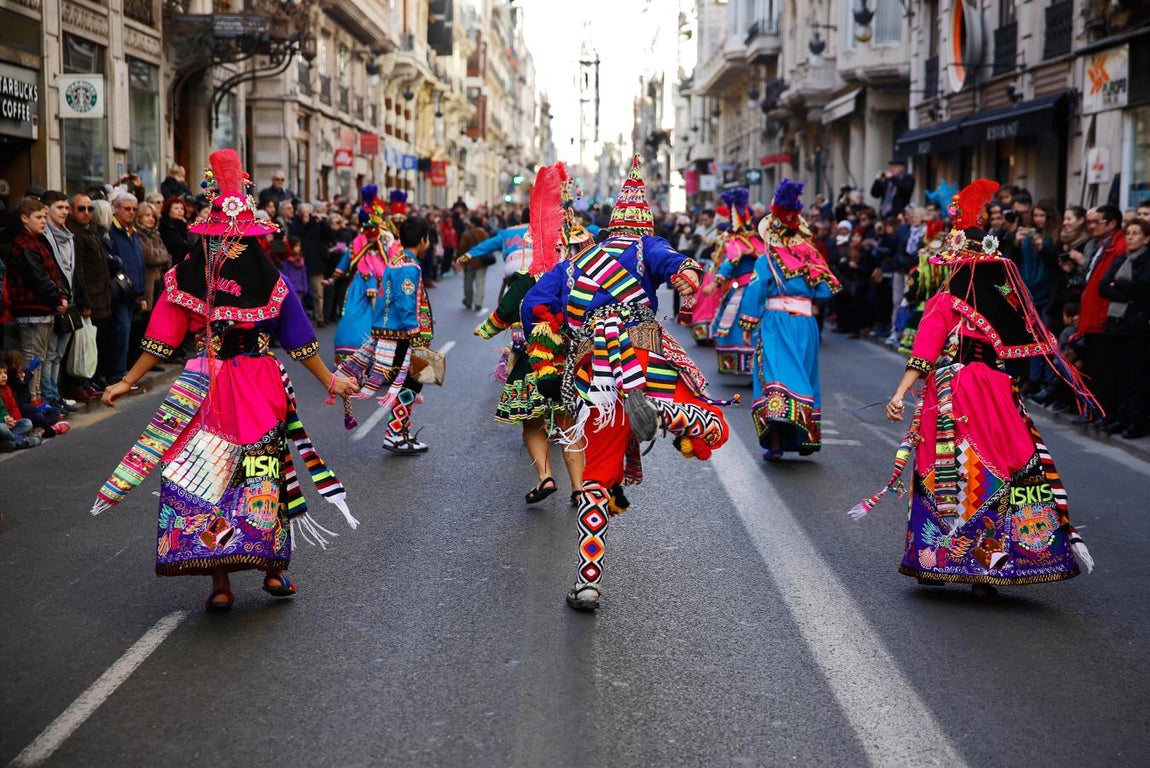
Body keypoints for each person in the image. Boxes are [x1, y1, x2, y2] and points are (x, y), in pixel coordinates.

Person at [93, 149, 360, 612]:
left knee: (210, 482)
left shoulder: (187, 276)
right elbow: (301, 343)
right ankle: (273, 573)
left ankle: (221, 582)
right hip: (256, 386)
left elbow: (160, 340)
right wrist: (330, 381)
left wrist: (126, 381)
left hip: (207, 387)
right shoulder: (269, 279)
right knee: (260, 476)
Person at [851, 179, 1098, 597]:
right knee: (1001, 467)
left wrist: (898, 393)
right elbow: (1022, 351)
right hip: (998, 392)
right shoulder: (1007, 301)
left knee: (940, 469)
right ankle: (992, 568)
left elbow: (922, 355)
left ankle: (937, 561)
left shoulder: (946, 301)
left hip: (954, 392)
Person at [520, 156, 734, 612]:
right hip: (642, 362)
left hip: (594, 378)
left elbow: (533, 305)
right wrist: (689, 280)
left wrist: (556, 338)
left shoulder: (574, 265)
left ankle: (588, 582)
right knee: (716, 425)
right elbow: (679, 265)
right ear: (644, 224)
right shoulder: (644, 248)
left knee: (595, 482)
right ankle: (672, 414)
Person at [473, 164, 585, 505]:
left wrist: (485, 330)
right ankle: (580, 489)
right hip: (569, 360)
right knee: (568, 423)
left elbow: (504, 314)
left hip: (530, 363)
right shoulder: (579, 275)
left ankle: (545, 477)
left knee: (533, 423)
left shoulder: (526, 276)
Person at [736, 179, 840, 461]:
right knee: (804, 375)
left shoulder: (766, 259)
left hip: (777, 322)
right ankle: (804, 436)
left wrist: (746, 323)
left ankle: (777, 443)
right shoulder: (810, 256)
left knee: (775, 378)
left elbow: (756, 289)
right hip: (805, 324)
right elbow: (825, 290)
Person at [336, 215, 435, 455]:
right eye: (428, 238)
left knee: (413, 381)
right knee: (413, 380)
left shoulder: (397, 261)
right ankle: (395, 433)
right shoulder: (408, 266)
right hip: (404, 335)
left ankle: (399, 432)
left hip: (395, 332)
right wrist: (416, 335)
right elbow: (404, 301)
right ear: (423, 240)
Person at [3, 197, 70, 407]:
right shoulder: (25, 245)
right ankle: (31, 401)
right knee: (32, 358)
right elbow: (39, 278)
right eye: (38, 217)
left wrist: (61, 294)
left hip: (42, 309)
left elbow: (53, 274)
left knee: (38, 358)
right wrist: (58, 297)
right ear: (24, 218)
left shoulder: (37, 241)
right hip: (31, 311)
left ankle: (37, 398)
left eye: (44, 217)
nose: (43, 221)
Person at [1096, 219, 1150, 439]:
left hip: (1137, 326)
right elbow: (1103, 286)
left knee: (1136, 376)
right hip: (1117, 324)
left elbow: (1143, 288)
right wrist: (1123, 292)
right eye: (1128, 233)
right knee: (1119, 375)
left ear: (1146, 238)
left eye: (1136, 233)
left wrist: (1118, 287)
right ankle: (1120, 417)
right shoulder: (1120, 260)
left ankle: (1135, 421)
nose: (1130, 237)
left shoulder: (1146, 261)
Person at [705, 187, 762, 377]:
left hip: (744, 292)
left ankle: (745, 363)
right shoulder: (757, 241)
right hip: (758, 291)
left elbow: (729, 264)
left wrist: (714, 283)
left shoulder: (738, 242)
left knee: (737, 325)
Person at [330, 186, 390, 363]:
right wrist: (333, 278)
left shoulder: (383, 245)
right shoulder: (357, 243)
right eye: (370, 228)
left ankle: (378, 360)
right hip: (359, 286)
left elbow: (388, 263)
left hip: (378, 285)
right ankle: (355, 358)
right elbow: (347, 261)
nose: (373, 233)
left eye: (375, 228)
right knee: (353, 317)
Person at [40, 190, 85, 412]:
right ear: (46, 209)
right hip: (54, 302)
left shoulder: (67, 235)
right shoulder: (44, 236)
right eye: (60, 207)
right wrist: (58, 296)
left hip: (70, 301)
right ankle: (48, 397)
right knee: (48, 355)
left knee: (58, 355)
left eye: (67, 208)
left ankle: (55, 395)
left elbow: (72, 271)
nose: (65, 212)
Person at [66, 193, 109, 401]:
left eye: (90, 209)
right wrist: (84, 301)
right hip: (86, 298)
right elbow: (78, 270)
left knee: (91, 343)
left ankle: (87, 381)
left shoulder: (89, 230)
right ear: (72, 210)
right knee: (80, 345)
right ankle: (77, 384)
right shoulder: (73, 233)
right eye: (81, 209)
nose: (86, 213)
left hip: (100, 296)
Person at [456, 214, 493, 310]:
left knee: (468, 282)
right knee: (480, 282)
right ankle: (478, 303)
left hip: (469, 261)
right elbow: (489, 247)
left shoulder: (466, 234)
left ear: (473, 223)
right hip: (482, 261)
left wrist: (460, 261)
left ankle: (468, 300)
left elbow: (461, 249)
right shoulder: (484, 233)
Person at [159, 197, 191, 264]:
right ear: (168, 210)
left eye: (182, 208)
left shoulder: (184, 225)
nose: (180, 211)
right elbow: (180, 245)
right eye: (176, 208)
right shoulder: (164, 226)